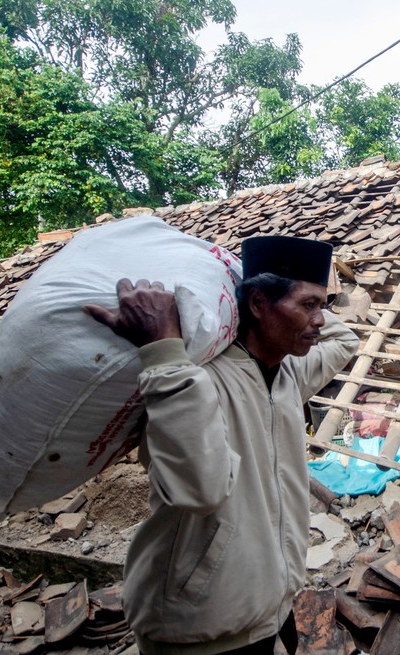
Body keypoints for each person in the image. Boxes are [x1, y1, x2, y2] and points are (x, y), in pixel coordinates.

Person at [84, 235, 359, 654]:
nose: (321, 320)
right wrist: (163, 353)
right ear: (258, 304)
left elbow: (346, 341)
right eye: (308, 305)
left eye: (323, 306)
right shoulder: (196, 380)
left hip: (270, 609)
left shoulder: (287, 375)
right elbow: (202, 489)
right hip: (201, 627)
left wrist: (277, 288)